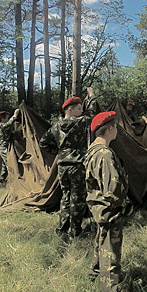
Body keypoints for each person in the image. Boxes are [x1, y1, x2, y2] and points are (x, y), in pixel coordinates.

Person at [84, 111, 135, 292]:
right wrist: (126, 206)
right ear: (110, 129)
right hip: (109, 211)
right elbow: (113, 191)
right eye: (116, 127)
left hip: (99, 209)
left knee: (101, 242)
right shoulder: (104, 154)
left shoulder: (93, 150)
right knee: (111, 255)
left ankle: (94, 273)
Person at [39, 90, 96, 240]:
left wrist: (60, 152)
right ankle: (75, 231)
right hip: (77, 165)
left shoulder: (56, 127)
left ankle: (62, 228)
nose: (81, 111)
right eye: (78, 108)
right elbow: (92, 114)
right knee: (77, 198)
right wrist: (91, 96)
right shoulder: (80, 122)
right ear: (69, 109)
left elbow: (43, 143)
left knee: (65, 197)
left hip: (62, 166)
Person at [0, 108, 20, 184]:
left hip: (5, 147)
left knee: (4, 165)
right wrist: (15, 115)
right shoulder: (0, 126)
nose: (8, 119)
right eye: (6, 118)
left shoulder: (4, 127)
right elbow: (8, 124)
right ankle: (13, 181)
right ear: (2, 119)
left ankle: (2, 180)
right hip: (2, 148)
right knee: (9, 163)